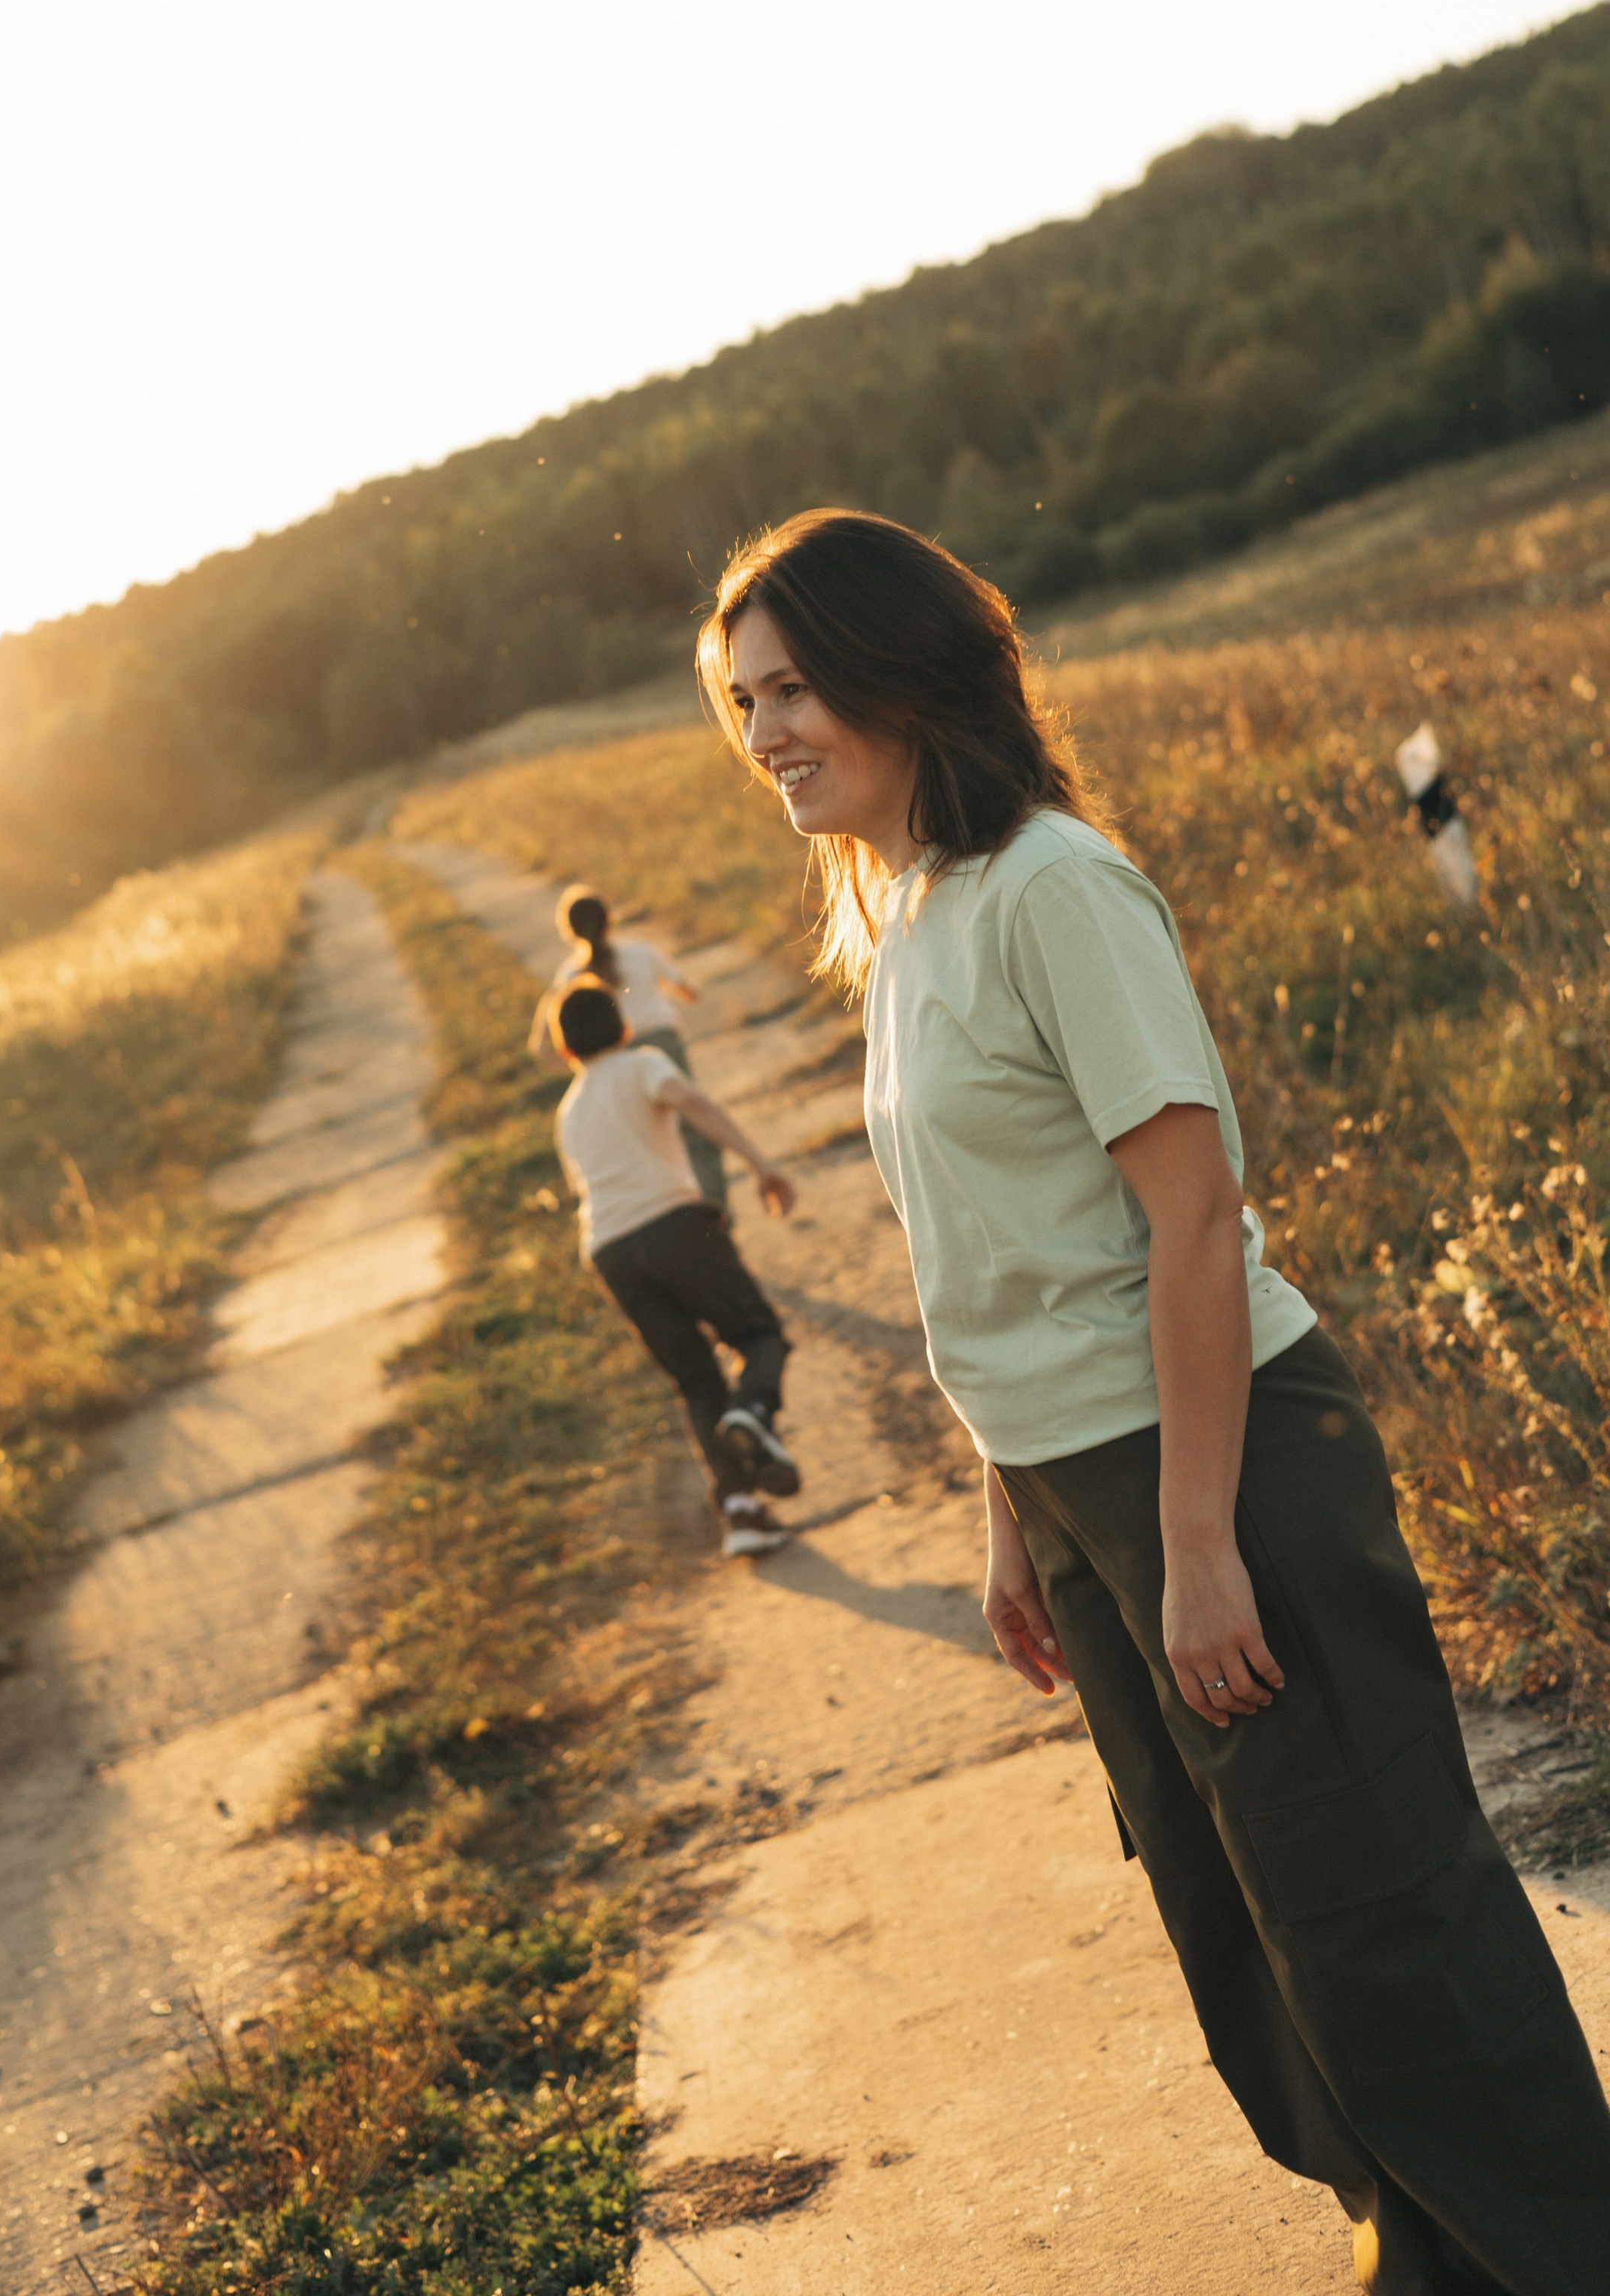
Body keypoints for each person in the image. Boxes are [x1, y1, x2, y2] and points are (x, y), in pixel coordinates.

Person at [700, 504, 1610, 2296]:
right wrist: (1008, 1515)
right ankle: (1418, 2243)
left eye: (792, 686)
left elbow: (1188, 1217)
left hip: (1221, 1455)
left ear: (896, 668)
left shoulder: (1053, 885)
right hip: (1076, 1486)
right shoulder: (902, 916)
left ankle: (1547, 2251)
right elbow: (983, 1249)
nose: (764, 734)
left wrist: (1197, 1540)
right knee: (1237, 1926)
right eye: (741, 702)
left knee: (1375, 1908)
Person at [551, 977, 801, 1558]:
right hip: (675, 1226)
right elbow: (694, 1105)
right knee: (759, 1334)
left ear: (566, 1053)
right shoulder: (642, 1063)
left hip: (610, 1252)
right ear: (625, 1026)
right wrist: (760, 1164)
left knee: (695, 1379)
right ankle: (754, 1410)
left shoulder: (567, 1113)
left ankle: (740, 1511)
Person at [530, 886, 730, 1210]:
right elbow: (689, 991)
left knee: (649, 1139)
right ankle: (716, 1207)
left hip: (614, 1056)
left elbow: (545, 1039)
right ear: (610, 920)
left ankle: (675, 1206)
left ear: (570, 932)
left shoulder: (570, 974)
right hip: (664, 1044)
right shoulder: (640, 951)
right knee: (695, 1126)